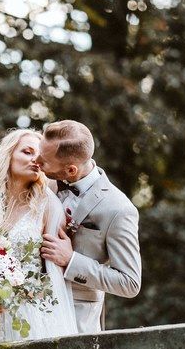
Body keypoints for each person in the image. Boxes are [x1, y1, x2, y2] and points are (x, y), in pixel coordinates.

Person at [0, 129, 77, 343]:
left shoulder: (47, 208)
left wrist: (12, 296)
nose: (35, 160)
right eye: (27, 152)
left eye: (39, 156)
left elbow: (54, 278)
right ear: (8, 156)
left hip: (31, 318)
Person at [35, 119, 142, 333]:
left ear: (71, 170)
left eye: (44, 161)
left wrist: (71, 261)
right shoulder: (39, 182)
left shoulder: (119, 209)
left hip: (76, 320)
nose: (36, 161)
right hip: (28, 310)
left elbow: (130, 283)